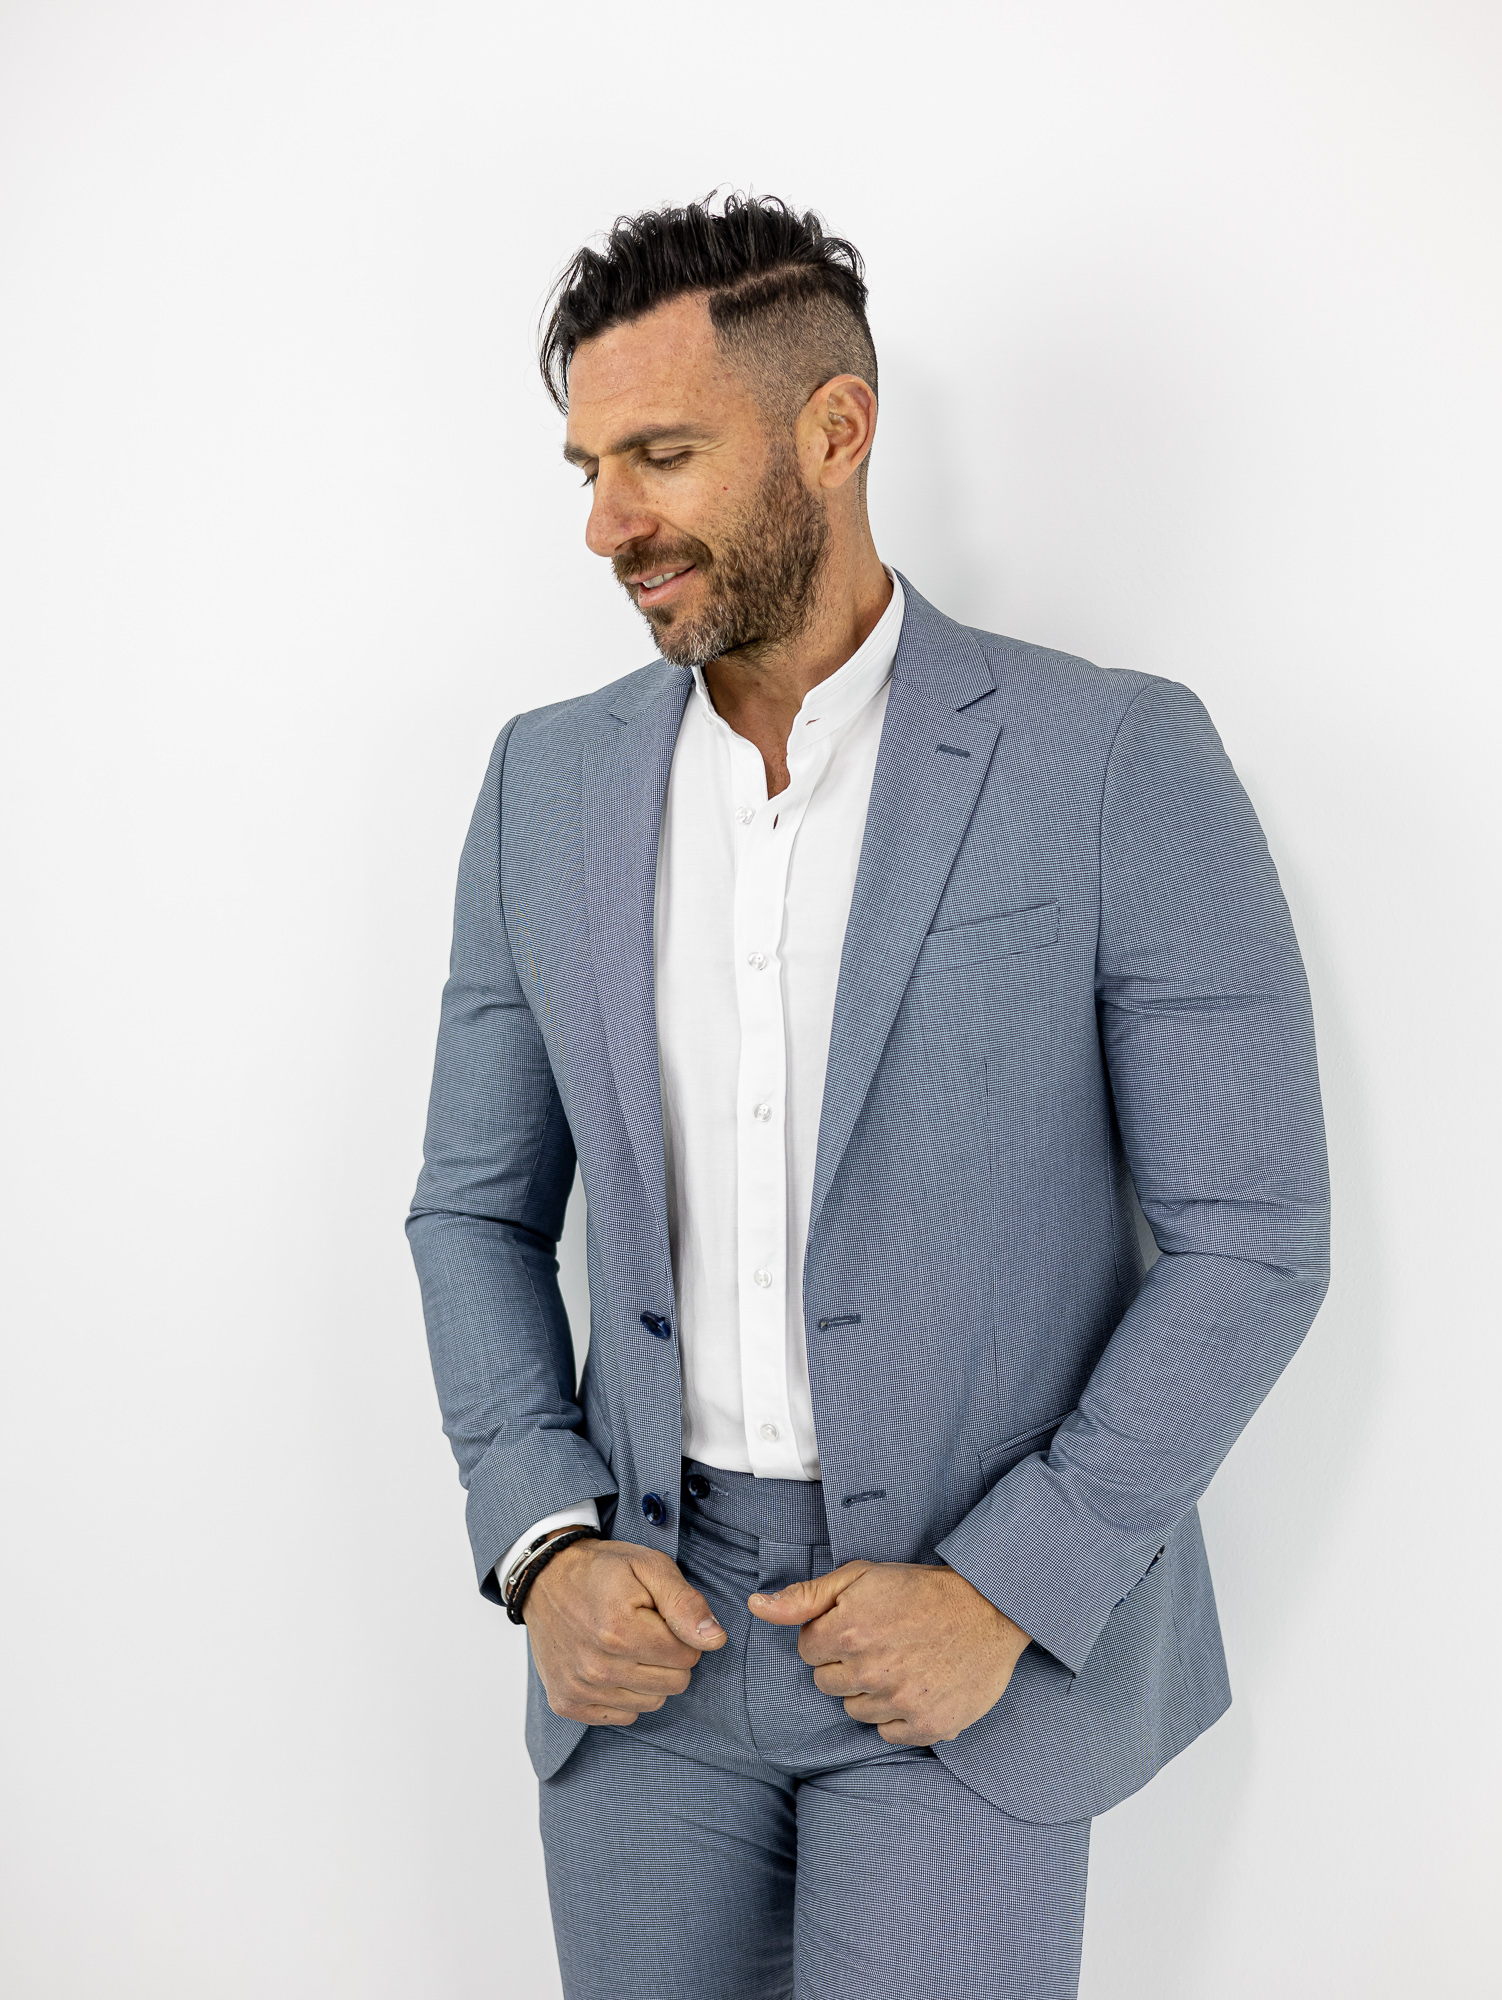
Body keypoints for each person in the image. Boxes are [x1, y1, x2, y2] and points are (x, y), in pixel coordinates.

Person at [407, 193, 1329, 2000]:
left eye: (662, 456)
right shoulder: (544, 784)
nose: (606, 523)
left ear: (834, 431)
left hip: (955, 1645)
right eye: (588, 468)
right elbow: (473, 1207)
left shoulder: (1108, 756)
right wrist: (542, 1545)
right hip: (646, 1633)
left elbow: (1252, 1234)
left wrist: (1009, 1588)